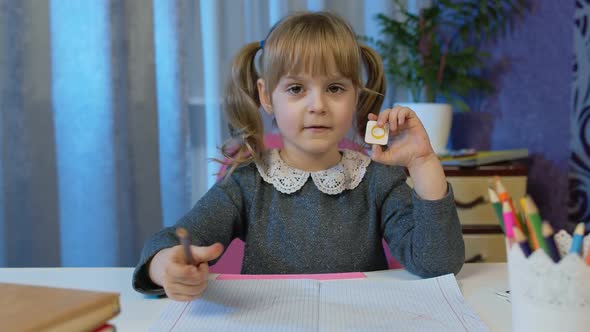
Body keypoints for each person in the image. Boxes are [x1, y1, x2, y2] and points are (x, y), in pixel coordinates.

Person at [133, 11, 464, 301]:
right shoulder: (247, 183)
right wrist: (166, 267)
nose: (317, 105)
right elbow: (174, 241)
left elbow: (438, 263)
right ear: (266, 96)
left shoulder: (377, 179)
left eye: (335, 88)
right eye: (296, 89)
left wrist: (422, 163)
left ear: (355, 96)